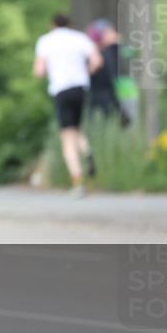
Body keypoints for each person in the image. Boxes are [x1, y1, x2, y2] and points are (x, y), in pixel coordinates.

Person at [34, 14, 103, 198]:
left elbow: (39, 70)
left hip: (61, 89)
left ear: (52, 25)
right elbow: (97, 61)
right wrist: (84, 72)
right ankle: (87, 152)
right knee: (77, 128)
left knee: (66, 135)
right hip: (80, 87)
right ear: (70, 24)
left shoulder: (46, 41)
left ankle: (77, 180)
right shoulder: (80, 38)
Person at [85, 19, 131, 126]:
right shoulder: (98, 54)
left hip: (122, 92)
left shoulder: (115, 50)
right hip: (104, 97)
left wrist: (117, 46)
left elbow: (129, 59)